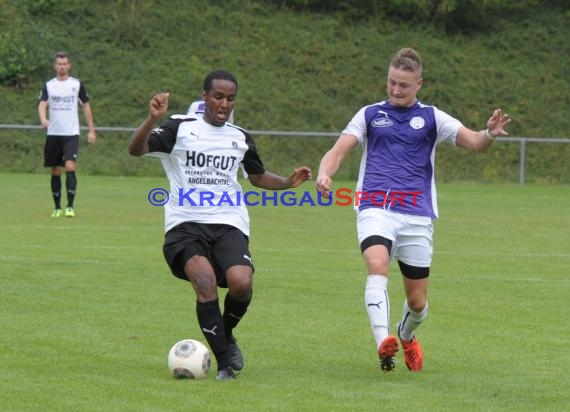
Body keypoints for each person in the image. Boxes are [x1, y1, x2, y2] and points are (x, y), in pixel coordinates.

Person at [316, 48, 511, 373]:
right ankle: (383, 341)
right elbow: (338, 150)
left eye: (403, 85)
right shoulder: (369, 115)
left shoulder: (434, 118)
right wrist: (326, 173)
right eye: (392, 82)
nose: (395, 90)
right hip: (375, 207)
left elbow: (475, 144)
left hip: (417, 216)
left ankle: (406, 334)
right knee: (377, 264)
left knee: (418, 303)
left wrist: (489, 132)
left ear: (418, 84)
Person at [129, 69, 312, 381]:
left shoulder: (239, 138)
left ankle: (224, 333)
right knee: (204, 281)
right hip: (185, 224)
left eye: (230, 98)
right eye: (218, 97)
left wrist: (287, 182)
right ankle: (226, 363)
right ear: (205, 98)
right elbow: (136, 149)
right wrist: (151, 119)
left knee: (242, 283)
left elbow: (256, 176)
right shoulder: (179, 127)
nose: (224, 104)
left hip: (229, 223)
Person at [38, 51, 96, 218]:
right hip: (54, 134)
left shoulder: (77, 84)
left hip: (71, 133)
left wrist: (91, 130)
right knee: (55, 170)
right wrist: (43, 118)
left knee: (70, 166)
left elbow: (86, 105)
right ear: (55, 66)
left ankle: (70, 206)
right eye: (59, 64)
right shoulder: (49, 85)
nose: (62, 66)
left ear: (69, 66)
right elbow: (42, 103)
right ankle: (57, 207)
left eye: (64, 64)